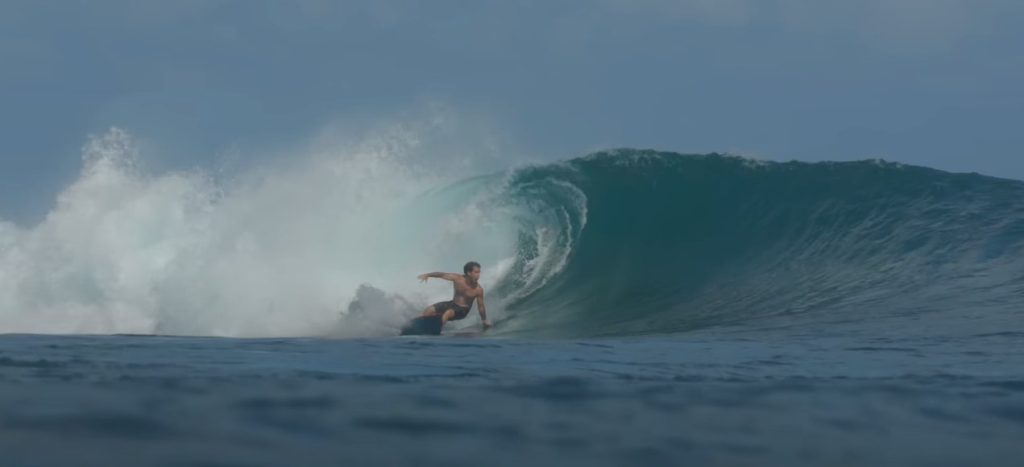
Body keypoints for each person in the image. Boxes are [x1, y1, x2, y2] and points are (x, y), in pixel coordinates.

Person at [400, 261, 493, 335]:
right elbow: (441, 275)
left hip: (463, 310)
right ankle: (419, 326)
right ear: (469, 272)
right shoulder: (457, 278)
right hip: (452, 303)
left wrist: (484, 320)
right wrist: (428, 275)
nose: (479, 275)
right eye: (476, 272)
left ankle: (436, 331)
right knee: (428, 310)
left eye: (479, 272)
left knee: (447, 313)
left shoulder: (478, 289)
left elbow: (481, 306)